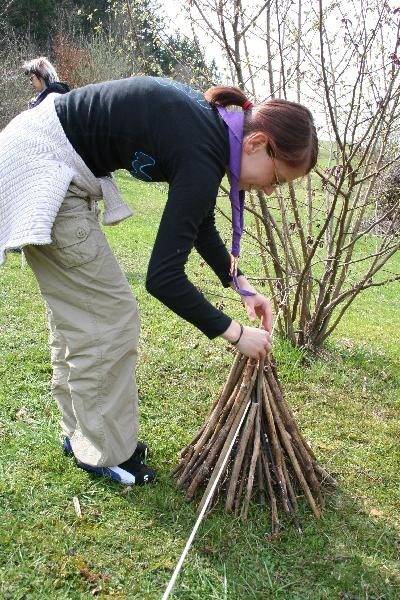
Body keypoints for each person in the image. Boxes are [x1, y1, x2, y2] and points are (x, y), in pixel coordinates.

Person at [0, 77, 318, 486]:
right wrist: (236, 333)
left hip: (32, 158)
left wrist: (240, 284)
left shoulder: (208, 133)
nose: (270, 191)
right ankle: (102, 451)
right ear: (256, 143)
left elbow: (199, 220)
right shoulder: (203, 149)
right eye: (277, 179)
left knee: (85, 313)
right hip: (40, 171)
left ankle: (82, 433)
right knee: (108, 315)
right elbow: (163, 279)